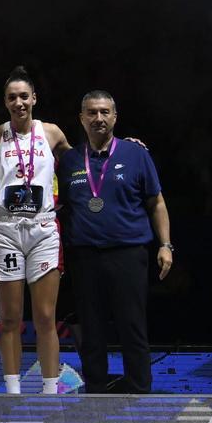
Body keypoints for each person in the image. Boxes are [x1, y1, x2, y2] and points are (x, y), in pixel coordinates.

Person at [57, 90, 172, 394]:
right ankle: (95, 389)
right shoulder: (69, 161)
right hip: (84, 256)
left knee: (131, 324)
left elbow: (156, 202)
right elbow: (60, 207)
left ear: (115, 117)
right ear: (81, 118)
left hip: (128, 253)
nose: (99, 118)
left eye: (105, 112)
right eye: (92, 113)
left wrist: (165, 244)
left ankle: (139, 387)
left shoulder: (136, 154)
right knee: (91, 327)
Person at [0, 66, 72, 395]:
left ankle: (49, 392)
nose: (19, 102)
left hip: (43, 228)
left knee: (46, 317)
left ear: (34, 98)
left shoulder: (52, 133)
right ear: (5, 102)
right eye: (12, 97)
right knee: (10, 318)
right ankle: (13, 393)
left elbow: (82, 167)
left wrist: (122, 146)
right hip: (6, 231)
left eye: (24, 96)